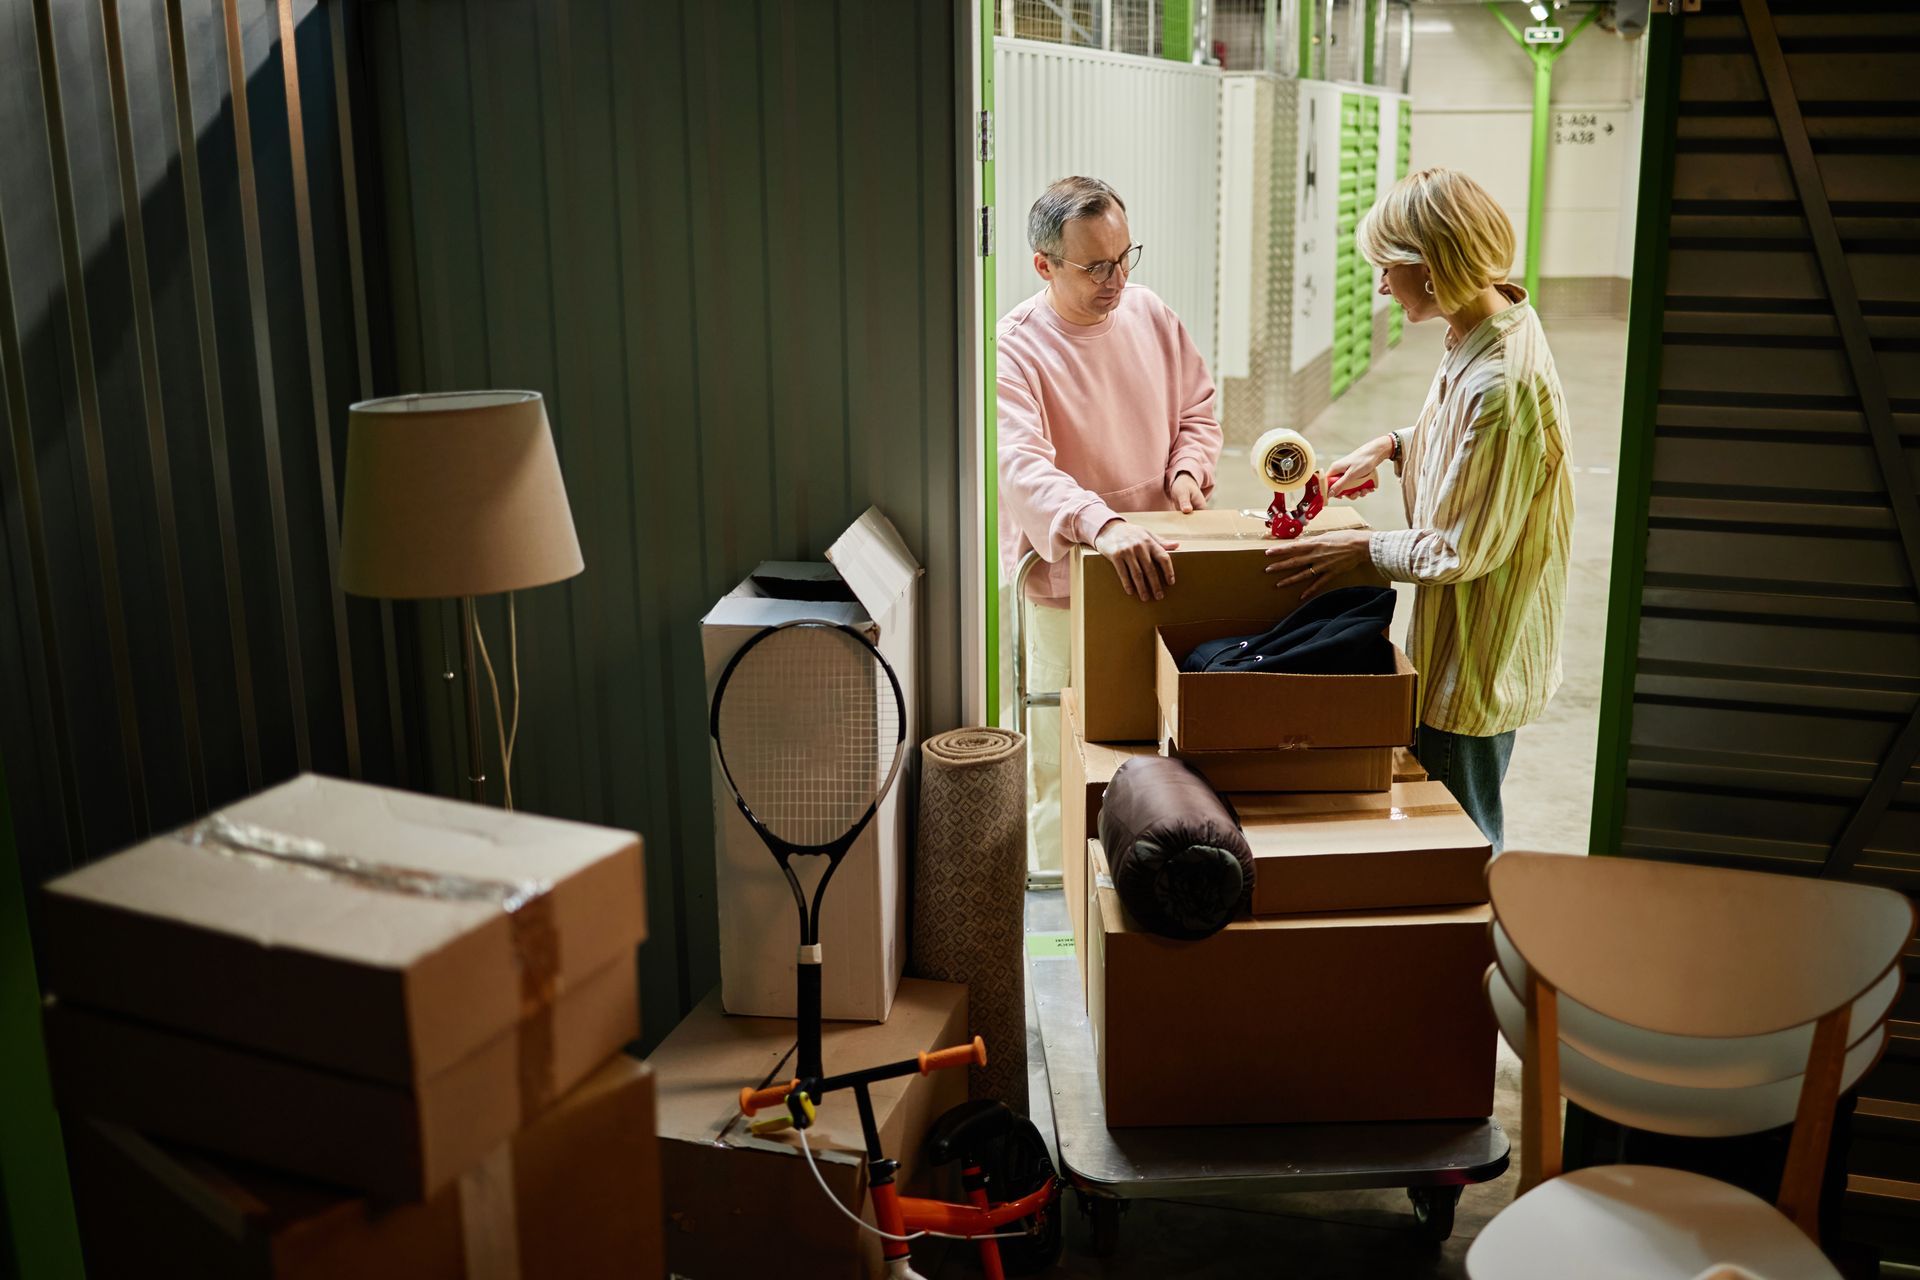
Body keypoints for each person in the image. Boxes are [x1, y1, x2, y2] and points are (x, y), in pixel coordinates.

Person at [1262, 168, 1571, 853]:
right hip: (1456, 635)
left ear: (1432, 270)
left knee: (1460, 832)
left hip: (1475, 648)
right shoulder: (1483, 326)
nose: (1379, 286)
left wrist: (1358, 550)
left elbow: (1459, 550)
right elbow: (1466, 447)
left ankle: (1468, 951)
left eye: (1386, 269)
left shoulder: (1501, 381)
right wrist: (1394, 445)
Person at [998, 175, 1222, 873]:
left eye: (1125, 256)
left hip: (1163, 570)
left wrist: (1188, 470)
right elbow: (1022, 468)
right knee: (1066, 760)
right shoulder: (1015, 347)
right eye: (1095, 265)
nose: (1116, 278)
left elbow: (1197, 413)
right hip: (1073, 589)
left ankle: (1146, 890)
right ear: (1043, 265)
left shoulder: (1151, 315)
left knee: (1160, 749)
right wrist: (1104, 525)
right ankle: (1063, 903)